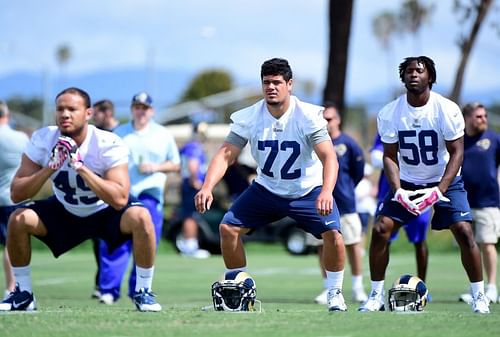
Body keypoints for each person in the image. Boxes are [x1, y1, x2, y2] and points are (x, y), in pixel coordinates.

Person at [195, 58, 348, 312]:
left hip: (306, 190)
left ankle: (335, 293)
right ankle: (238, 291)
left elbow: (329, 157)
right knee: (227, 228)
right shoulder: (251, 116)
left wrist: (326, 191)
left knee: (333, 234)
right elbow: (225, 154)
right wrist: (207, 186)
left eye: (277, 82)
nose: (271, 87)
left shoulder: (307, 115)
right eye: (266, 82)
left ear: (289, 84)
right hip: (266, 189)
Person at [0, 87, 161, 312]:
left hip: (104, 210)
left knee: (142, 216)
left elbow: (120, 199)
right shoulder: (43, 138)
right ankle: (23, 293)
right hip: (64, 208)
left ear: (88, 113)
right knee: (18, 219)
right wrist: (50, 168)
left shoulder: (107, 142)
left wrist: (81, 167)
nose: (65, 114)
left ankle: (143, 290)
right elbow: (17, 193)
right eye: (60, 109)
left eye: (72, 109)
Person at [359, 56, 490, 314]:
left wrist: (439, 190)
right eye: (408, 71)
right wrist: (397, 190)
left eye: (420, 70)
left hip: (445, 181)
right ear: (403, 77)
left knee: (464, 230)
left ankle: (479, 296)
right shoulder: (390, 112)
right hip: (407, 182)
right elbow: (389, 156)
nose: (413, 74)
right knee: (381, 229)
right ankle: (375, 295)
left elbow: (457, 153)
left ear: (430, 76)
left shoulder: (446, 109)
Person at [97, 91, 180, 305]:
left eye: (145, 108)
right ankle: (108, 290)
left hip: (150, 194)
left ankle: (139, 290)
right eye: (137, 107)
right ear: (132, 109)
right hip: (122, 193)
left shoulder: (162, 134)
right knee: (115, 241)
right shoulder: (119, 132)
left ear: (151, 111)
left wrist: (155, 167)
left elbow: (175, 164)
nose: (140, 111)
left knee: (146, 241)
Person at [313, 104, 367, 305]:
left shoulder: (348, 143)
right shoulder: (314, 141)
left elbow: (358, 170)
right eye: (323, 119)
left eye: (330, 119)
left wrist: (346, 187)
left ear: (338, 120)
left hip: (345, 203)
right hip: (319, 204)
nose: (326, 123)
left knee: (353, 244)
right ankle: (328, 288)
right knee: (321, 246)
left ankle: (357, 287)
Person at [370, 133, 431, 282]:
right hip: (390, 193)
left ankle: (423, 284)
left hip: (418, 191)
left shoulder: (425, 124)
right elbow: (376, 158)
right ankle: (377, 290)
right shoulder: (389, 123)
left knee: (419, 240)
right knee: (382, 235)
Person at [458, 102, 500, 305]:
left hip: (488, 202)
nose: (484, 119)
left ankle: (492, 288)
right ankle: (476, 288)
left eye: (484, 116)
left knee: (488, 243)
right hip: (463, 202)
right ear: (467, 118)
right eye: (479, 116)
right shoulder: (459, 140)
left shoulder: (493, 139)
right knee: (469, 245)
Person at [86, 99, 120, 299]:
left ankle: (138, 288)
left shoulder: (121, 134)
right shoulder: (94, 136)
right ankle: (102, 284)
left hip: (117, 194)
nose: (92, 118)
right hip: (98, 196)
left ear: (106, 113)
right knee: (100, 241)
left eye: (95, 113)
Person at [0, 101, 29, 299]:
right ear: (7, 116)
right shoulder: (19, 137)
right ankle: (11, 288)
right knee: (11, 245)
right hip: (11, 198)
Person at [176, 122, 211, 258]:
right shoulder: (194, 147)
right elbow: (193, 164)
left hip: (187, 183)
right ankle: (190, 246)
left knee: (191, 215)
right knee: (191, 215)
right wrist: (195, 180)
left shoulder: (189, 146)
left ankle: (190, 244)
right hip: (191, 184)